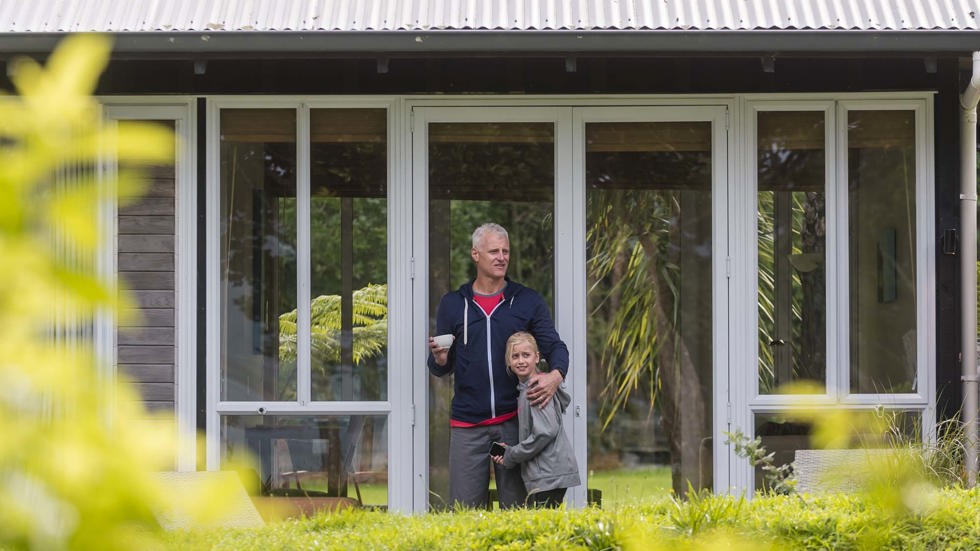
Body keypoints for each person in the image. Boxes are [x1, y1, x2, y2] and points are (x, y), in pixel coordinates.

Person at [428, 222, 570, 509]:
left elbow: (556, 347)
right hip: (469, 426)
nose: (501, 257)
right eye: (494, 251)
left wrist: (555, 376)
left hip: (513, 424)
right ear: (475, 254)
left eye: (506, 251)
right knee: (466, 513)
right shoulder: (454, 304)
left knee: (517, 509)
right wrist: (440, 359)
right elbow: (441, 366)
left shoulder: (526, 301)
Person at [491, 332, 580, 508]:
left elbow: (545, 431)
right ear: (508, 361)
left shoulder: (536, 389)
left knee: (543, 528)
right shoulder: (526, 388)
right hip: (547, 473)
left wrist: (512, 454)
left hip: (548, 474)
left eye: (526, 355)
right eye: (515, 356)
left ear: (537, 357)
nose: (521, 361)